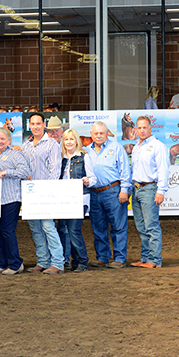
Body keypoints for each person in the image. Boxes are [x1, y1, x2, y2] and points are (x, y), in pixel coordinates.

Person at [21, 113, 65, 274]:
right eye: (32, 124)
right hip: (30, 193)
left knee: (48, 227)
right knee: (36, 229)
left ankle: (58, 262)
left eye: (38, 123)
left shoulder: (52, 144)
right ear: (29, 125)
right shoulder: (26, 145)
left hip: (45, 192)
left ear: (44, 124)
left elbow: (55, 169)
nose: (35, 126)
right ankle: (42, 261)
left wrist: (48, 191)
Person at [0, 127, 31, 275]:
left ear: (9, 140)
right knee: (0, 231)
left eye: (2, 139)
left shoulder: (15, 154)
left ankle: (16, 263)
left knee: (7, 230)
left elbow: (25, 172)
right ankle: (3, 262)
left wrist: (7, 172)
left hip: (11, 198)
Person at [86, 121, 131, 268]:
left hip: (113, 191)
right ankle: (102, 257)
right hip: (94, 193)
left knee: (118, 226)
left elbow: (125, 171)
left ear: (107, 133)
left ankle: (119, 258)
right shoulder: (86, 151)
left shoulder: (116, 148)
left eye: (101, 133)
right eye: (96, 133)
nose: (99, 136)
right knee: (98, 227)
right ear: (91, 134)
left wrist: (124, 190)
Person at [130, 116, 169, 268]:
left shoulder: (158, 146)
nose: (142, 130)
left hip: (150, 188)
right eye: (139, 128)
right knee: (141, 226)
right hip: (137, 189)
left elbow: (163, 170)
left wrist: (161, 191)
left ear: (150, 128)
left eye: (144, 127)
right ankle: (145, 258)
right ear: (136, 129)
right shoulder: (136, 147)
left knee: (151, 226)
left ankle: (154, 260)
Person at [59, 128, 96, 272]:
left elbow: (93, 179)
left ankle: (82, 261)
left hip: (80, 199)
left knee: (73, 229)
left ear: (77, 141)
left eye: (71, 139)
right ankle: (71, 261)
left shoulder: (84, 157)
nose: (69, 142)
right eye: (66, 139)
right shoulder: (61, 158)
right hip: (64, 199)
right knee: (63, 229)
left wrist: (88, 181)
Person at [46, 115, 72, 269]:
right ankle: (58, 257)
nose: (54, 134)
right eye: (51, 131)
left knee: (64, 226)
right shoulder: (50, 146)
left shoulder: (67, 146)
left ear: (62, 131)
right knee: (54, 226)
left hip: (64, 191)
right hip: (52, 190)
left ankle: (65, 258)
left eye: (56, 131)